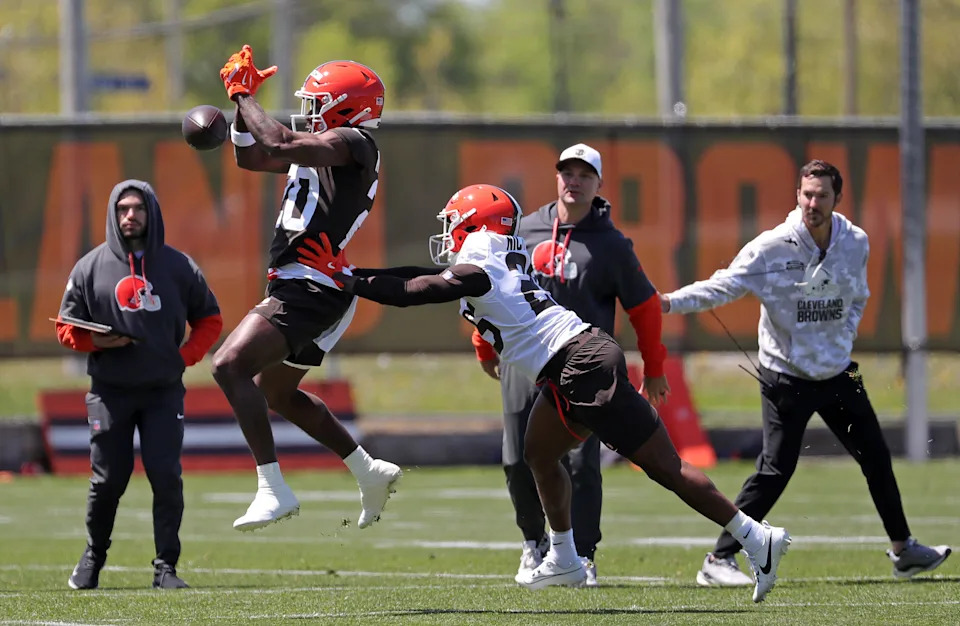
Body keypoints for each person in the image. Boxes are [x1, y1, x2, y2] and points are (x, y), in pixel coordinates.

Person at [295, 183, 791, 603]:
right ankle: (566, 557)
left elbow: (420, 291)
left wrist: (347, 278)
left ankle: (753, 536)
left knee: (665, 467)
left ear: (474, 224)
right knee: (539, 452)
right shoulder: (490, 255)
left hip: (580, 363)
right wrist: (356, 275)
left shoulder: (480, 259)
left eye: (454, 222)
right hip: (572, 364)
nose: (447, 232)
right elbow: (419, 278)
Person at [660, 160, 952, 586]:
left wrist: (845, 335)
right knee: (776, 470)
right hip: (786, 376)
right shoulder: (773, 246)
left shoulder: (855, 241)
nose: (812, 203)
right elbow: (722, 285)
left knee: (876, 456)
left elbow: (858, 296)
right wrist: (668, 302)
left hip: (838, 373)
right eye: (806, 194)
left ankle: (904, 550)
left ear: (838, 199)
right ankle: (718, 560)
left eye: (821, 196)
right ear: (797, 194)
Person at [212, 45, 402, 532]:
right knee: (276, 392)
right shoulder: (323, 148)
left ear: (346, 106)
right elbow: (252, 157)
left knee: (230, 365)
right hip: (314, 286)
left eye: (318, 103)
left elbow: (275, 142)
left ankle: (272, 488)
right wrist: (240, 107)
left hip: (309, 287)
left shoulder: (355, 143)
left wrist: (243, 92)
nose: (310, 112)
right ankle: (367, 469)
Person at [469, 144, 669, 586]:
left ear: (599, 183)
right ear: (556, 176)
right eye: (566, 172)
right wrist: (484, 345)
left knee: (581, 463)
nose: (573, 181)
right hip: (524, 360)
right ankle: (534, 544)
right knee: (516, 458)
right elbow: (491, 288)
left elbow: (644, 306)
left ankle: (582, 552)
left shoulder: (612, 244)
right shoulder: (526, 229)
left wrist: (653, 366)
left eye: (584, 174)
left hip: (581, 366)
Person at [56, 180, 223, 590]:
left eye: (138, 208)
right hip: (109, 391)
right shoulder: (89, 266)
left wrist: (183, 357)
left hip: (163, 392)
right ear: (113, 215)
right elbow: (65, 327)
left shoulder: (179, 266)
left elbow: (210, 319)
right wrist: (96, 341)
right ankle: (93, 557)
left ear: (152, 212)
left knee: (166, 475)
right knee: (109, 479)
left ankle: (166, 568)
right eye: (122, 209)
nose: (130, 216)